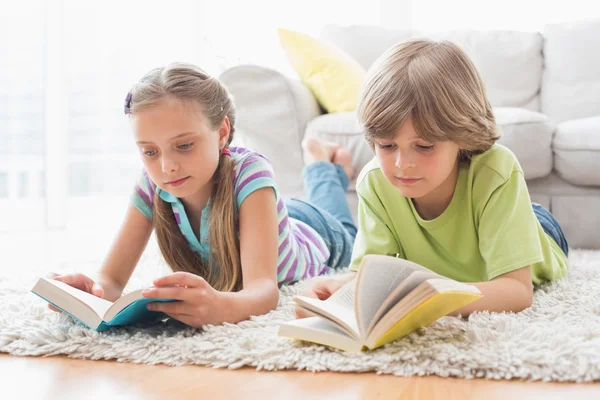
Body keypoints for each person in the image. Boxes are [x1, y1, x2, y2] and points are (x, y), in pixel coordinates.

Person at [49, 62, 356, 328]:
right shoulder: (151, 184)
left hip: (316, 232)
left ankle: (323, 166)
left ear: (222, 132)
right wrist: (91, 293)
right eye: (150, 152)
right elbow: (112, 280)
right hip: (267, 216)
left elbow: (263, 290)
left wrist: (220, 307)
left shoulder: (251, 171)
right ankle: (324, 165)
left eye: (184, 145)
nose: (167, 167)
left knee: (346, 226)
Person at [297, 39, 569, 318]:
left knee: (530, 221)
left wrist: (428, 298)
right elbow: (368, 273)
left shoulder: (496, 171)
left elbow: (516, 292)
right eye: (387, 146)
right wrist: (337, 287)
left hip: (539, 231)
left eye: (424, 146)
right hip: (485, 228)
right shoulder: (375, 182)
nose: (403, 165)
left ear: (462, 137)